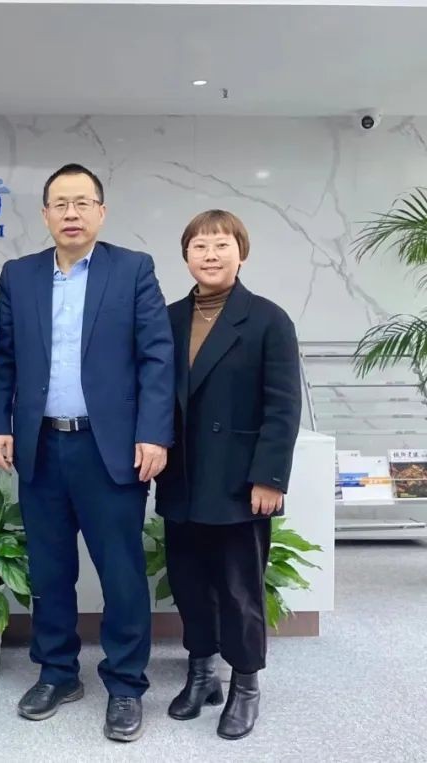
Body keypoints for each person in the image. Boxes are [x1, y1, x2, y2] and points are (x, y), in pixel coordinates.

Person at [0, 163, 174, 742]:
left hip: (109, 448)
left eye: (82, 203)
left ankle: (125, 683)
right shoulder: (20, 275)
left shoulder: (132, 269)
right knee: (49, 569)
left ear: (101, 212)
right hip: (41, 446)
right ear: (45, 214)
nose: (71, 213)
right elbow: (4, 358)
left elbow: (157, 357)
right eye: (60, 204)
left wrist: (154, 432)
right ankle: (57, 672)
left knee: (121, 571)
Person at [156, 209, 301, 740]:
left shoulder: (268, 319)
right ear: (186, 256)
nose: (210, 255)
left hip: (239, 480)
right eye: (199, 246)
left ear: (242, 252)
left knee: (240, 589)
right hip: (183, 475)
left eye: (221, 244)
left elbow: (283, 407)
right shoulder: (168, 318)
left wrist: (270, 478)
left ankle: (245, 685)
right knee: (190, 582)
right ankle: (202, 675)